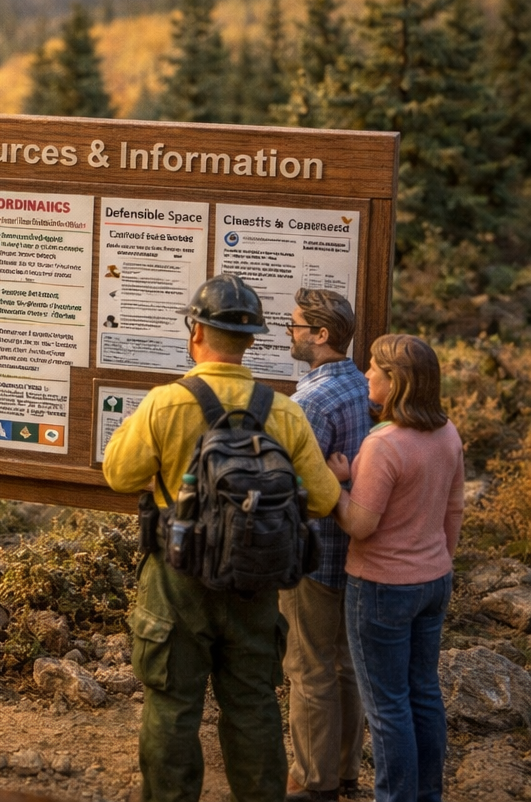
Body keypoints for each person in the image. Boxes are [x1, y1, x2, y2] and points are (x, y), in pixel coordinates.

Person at [103, 273, 340, 802]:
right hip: (255, 583)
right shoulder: (284, 411)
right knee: (253, 705)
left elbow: (118, 475)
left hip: (176, 576)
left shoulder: (167, 403)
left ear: (195, 333)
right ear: (252, 339)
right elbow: (322, 500)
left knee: (171, 705)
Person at [327, 335, 463, 802]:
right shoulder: (447, 432)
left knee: (387, 708)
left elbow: (361, 525)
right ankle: (427, 796)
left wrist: (335, 489)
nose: (366, 376)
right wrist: (435, 559)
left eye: (374, 370)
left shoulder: (384, 443)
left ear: (397, 381)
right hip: (433, 581)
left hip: (381, 587)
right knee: (423, 693)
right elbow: (454, 509)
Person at [281, 289, 372, 802]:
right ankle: (343, 771)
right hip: (355, 554)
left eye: (295, 326)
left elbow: (301, 491)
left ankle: (311, 782)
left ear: (321, 334)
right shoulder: (362, 385)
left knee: (307, 668)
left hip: (314, 556)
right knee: (343, 665)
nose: (289, 333)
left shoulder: (310, 402)